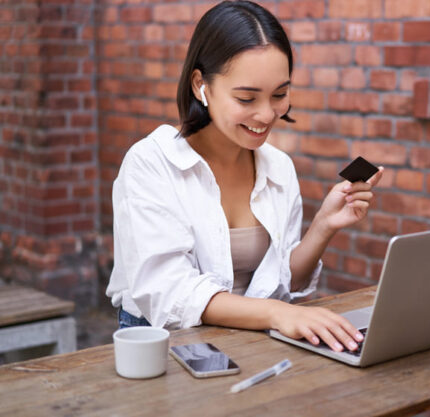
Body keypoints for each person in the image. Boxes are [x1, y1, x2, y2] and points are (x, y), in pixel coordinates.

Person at [106, 0, 384, 353]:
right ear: (199, 85)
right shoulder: (151, 163)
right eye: (247, 97)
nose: (267, 114)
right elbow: (170, 293)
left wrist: (324, 226)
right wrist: (276, 314)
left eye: (279, 94)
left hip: (255, 343)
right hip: (168, 347)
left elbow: (285, 283)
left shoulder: (278, 167)